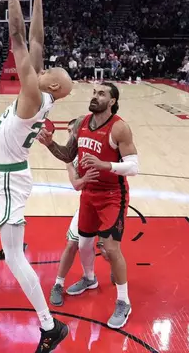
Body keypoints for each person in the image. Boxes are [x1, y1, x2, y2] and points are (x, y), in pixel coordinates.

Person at [0, 0, 74, 351]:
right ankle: (3, 231)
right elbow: (37, 39)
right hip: (0, 173)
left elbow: (17, 36)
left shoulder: (32, 95)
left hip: (10, 178)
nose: (45, 64)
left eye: (52, 70)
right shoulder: (40, 91)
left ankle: (49, 327)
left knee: (12, 258)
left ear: (54, 85)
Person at [38, 82, 139, 329]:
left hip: (113, 195)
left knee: (111, 249)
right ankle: (89, 279)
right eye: (94, 93)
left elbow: (134, 167)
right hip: (89, 194)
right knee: (83, 243)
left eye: (101, 94)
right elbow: (67, 155)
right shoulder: (82, 123)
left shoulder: (119, 128)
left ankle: (124, 301)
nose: (95, 96)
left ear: (112, 101)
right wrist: (50, 144)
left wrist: (106, 165)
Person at [44, 118, 108, 307]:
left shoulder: (99, 149)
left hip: (107, 203)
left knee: (107, 250)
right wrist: (85, 178)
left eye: (73, 131)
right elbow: (76, 185)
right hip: (87, 203)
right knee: (72, 243)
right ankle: (59, 284)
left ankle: (114, 275)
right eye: (69, 132)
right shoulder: (71, 158)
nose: (71, 135)